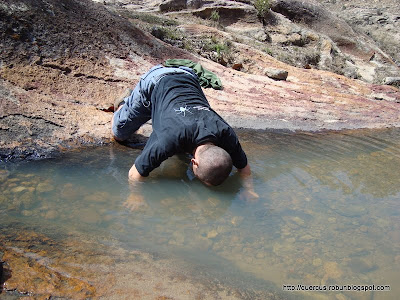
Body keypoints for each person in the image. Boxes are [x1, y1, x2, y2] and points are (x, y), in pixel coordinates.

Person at [112, 64, 254, 189]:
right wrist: (135, 198)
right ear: (194, 162)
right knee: (119, 134)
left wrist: (249, 191)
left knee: (180, 147)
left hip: (189, 76)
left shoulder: (226, 133)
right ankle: (125, 104)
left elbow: (244, 169)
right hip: (156, 80)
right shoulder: (169, 139)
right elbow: (134, 175)